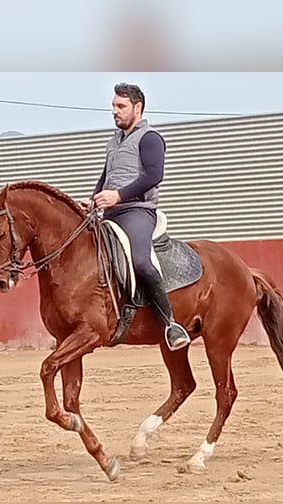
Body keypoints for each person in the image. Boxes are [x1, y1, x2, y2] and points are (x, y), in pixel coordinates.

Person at [91, 83, 191, 351]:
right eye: (113, 106)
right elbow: (105, 177)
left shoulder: (150, 138)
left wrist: (119, 196)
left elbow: (153, 176)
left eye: (120, 106)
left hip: (137, 212)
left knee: (141, 261)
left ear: (138, 107)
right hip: (110, 213)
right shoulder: (114, 141)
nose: (115, 111)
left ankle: (170, 324)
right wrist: (92, 200)